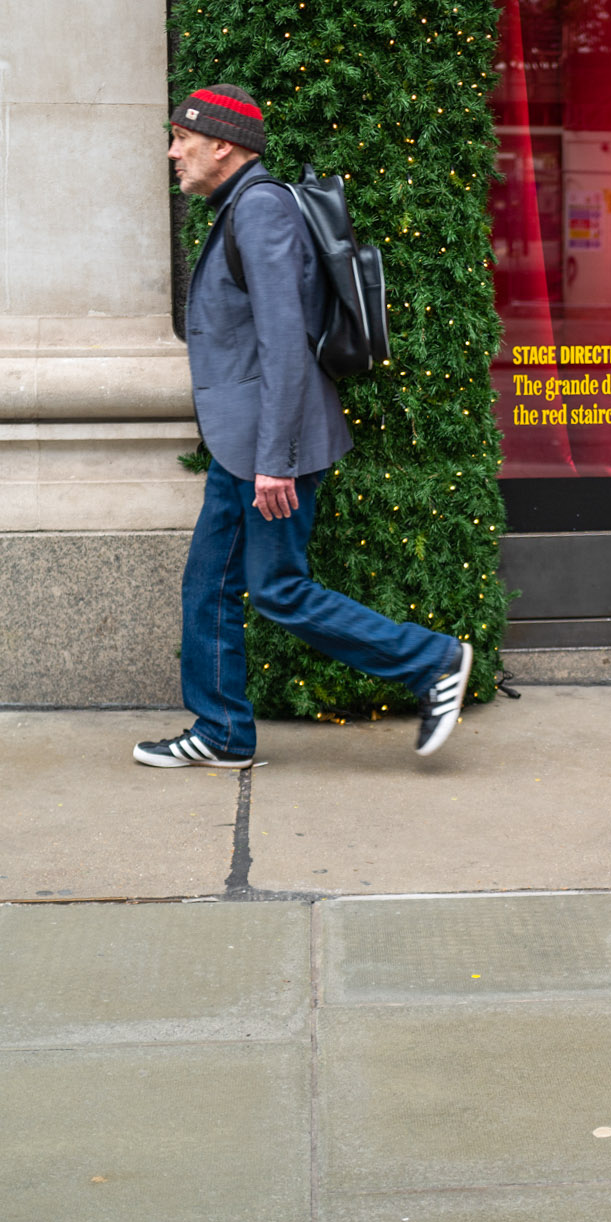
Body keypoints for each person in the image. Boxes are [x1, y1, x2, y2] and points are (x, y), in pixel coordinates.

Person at [135, 83, 473, 769]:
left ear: (222, 145)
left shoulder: (260, 209)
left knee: (278, 589)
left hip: (266, 448)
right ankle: (221, 732)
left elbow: (284, 343)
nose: (173, 152)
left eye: (182, 138)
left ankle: (432, 660)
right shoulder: (241, 207)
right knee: (211, 588)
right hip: (245, 446)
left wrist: (276, 459)